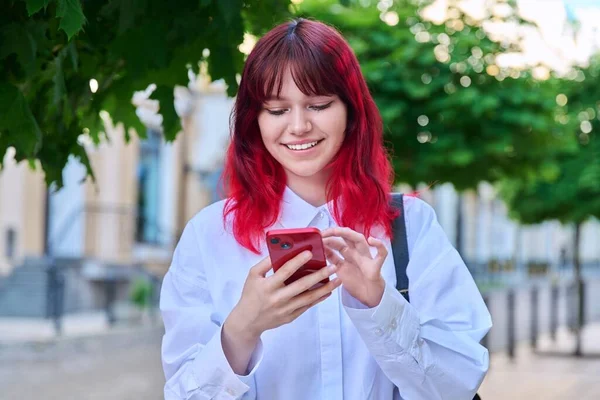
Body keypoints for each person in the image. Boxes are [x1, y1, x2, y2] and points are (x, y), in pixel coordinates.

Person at [160, 18, 492, 400]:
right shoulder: (210, 234)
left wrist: (378, 303)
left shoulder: (409, 226)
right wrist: (242, 328)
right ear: (255, 120)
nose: (299, 126)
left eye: (318, 105)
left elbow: (456, 386)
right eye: (276, 109)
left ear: (351, 111)